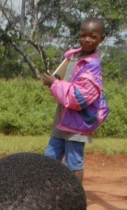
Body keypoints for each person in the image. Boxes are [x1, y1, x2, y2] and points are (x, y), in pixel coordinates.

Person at [40, 17, 109, 182]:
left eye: (93, 36)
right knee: (49, 159)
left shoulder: (92, 66)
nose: (87, 39)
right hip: (63, 119)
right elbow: (64, 82)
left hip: (78, 122)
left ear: (102, 38)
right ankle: (44, 194)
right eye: (83, 34)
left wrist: (54, 84)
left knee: (74, 163)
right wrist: (54, 80)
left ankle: (75, 198)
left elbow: (79, 98)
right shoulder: (74, 57)